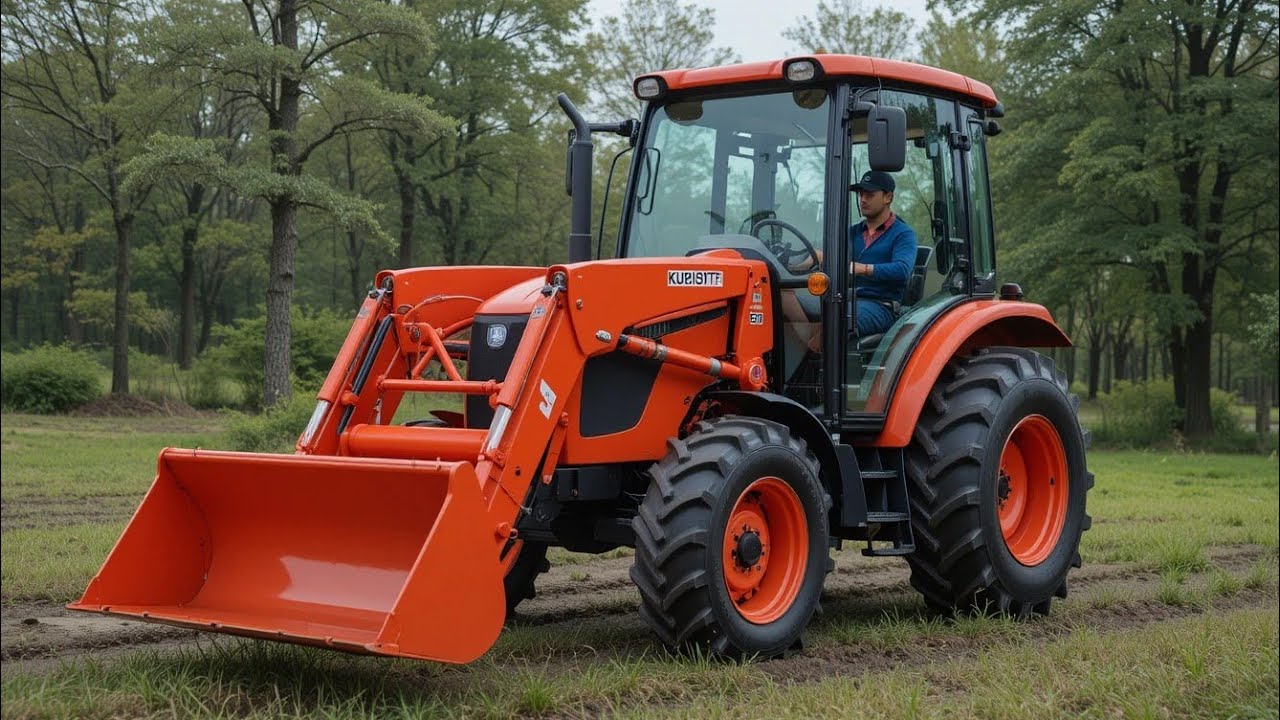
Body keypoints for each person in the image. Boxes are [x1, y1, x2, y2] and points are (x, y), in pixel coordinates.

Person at [848, 170, 917, 338]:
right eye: (861, 194)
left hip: (881, 306)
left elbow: (901, 270)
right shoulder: (852, 232)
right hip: (847, 300)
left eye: (869, 195)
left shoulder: (903, 233)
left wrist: (862, 268)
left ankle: (819, 351)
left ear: (888, 198)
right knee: (782, 301)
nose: (863, 200)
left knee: (837, 316)